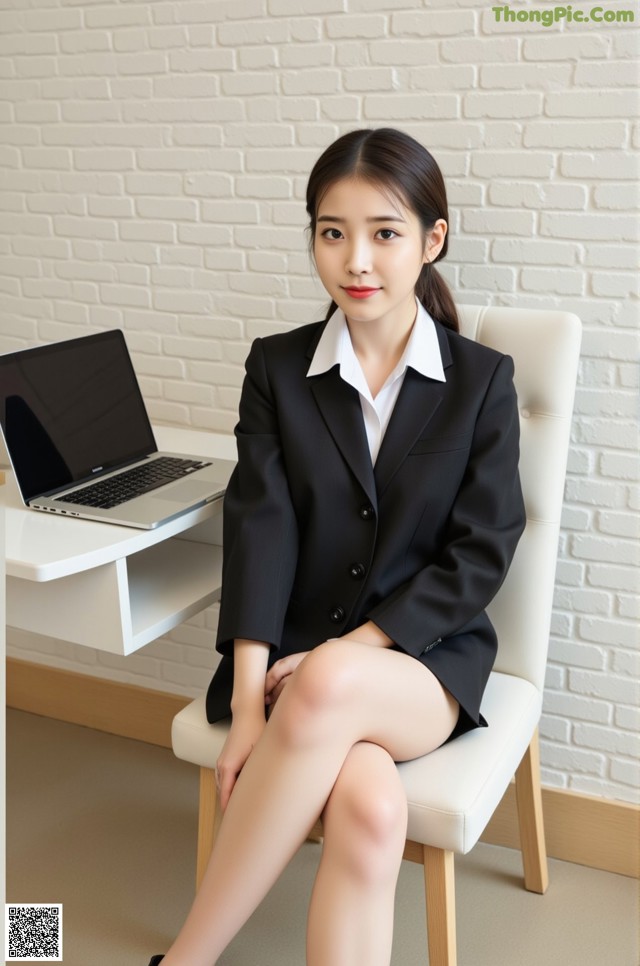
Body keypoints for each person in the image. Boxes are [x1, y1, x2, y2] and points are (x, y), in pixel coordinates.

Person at [149, 127, 525, 966]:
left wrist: (341, 655)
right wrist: (250, 706)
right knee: (370, 809)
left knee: (328, 683)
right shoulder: (277, 370)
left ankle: (184, 960)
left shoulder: (482, 383)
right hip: (287, 671)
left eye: (385, 233)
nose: (356, 259)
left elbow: (482, 552)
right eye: (332, 231)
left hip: (423, 665)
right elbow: (261, 528)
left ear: (432, 240)